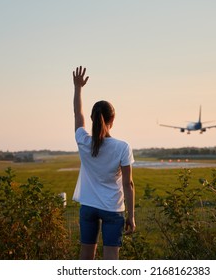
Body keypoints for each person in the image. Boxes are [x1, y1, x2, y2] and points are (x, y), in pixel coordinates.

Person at [72, 66, 136, 260]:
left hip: (88, 207)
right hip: (112, 209)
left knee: (86, 258)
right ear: (113, 119)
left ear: (92, 119)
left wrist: (78, 88)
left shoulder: (83, 140)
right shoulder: (122, 147)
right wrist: (131, 216)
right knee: (110, 261)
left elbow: (77, 114)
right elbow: (128, 184)